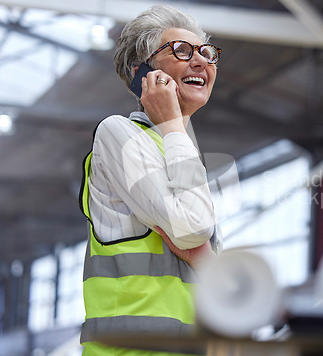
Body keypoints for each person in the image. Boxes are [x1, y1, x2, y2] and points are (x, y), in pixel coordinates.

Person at [79, 5, 221, 354]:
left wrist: (202, 259)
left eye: (206, 53)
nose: (201, 62)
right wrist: (173, 124)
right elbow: (192, 229)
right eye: (181, 51)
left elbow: (215, 274)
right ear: (141, 71)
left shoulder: (182, 153)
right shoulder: (119, 134)